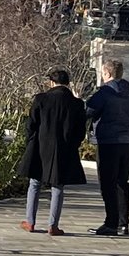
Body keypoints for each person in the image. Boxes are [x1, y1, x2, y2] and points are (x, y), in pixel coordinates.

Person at [19, 68, 87, 235]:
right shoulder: (77, 104)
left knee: (35, 183)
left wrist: (30, 141)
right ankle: (53, 225)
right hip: (64, 148)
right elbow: (81, 130)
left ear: (51, 82)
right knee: (58, 186)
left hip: (40, 146)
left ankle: (30, 221)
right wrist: (73, 145)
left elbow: (31, 124)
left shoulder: (41, 99)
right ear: (68, 83)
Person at [86, 57, 129, 237]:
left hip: (108, 142)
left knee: (107, 183)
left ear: (107, 73)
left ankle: (110, 222)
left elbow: (88, 112)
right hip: (126, 143)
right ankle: (123, 222)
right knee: (121, 182)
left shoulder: (104, 94)